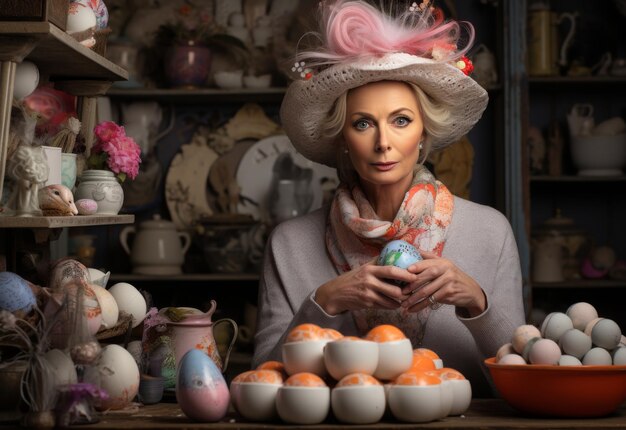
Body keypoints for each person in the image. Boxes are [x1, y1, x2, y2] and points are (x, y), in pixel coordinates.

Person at [252, 0, 524, 397]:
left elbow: (519, 385)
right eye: (363, 123)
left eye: (401, 120)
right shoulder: (290, 242)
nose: (383, 143)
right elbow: (263, 381)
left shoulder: (489, 231)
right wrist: (325, 301)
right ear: (343, 138)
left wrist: (476, 303)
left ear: (424, 133)